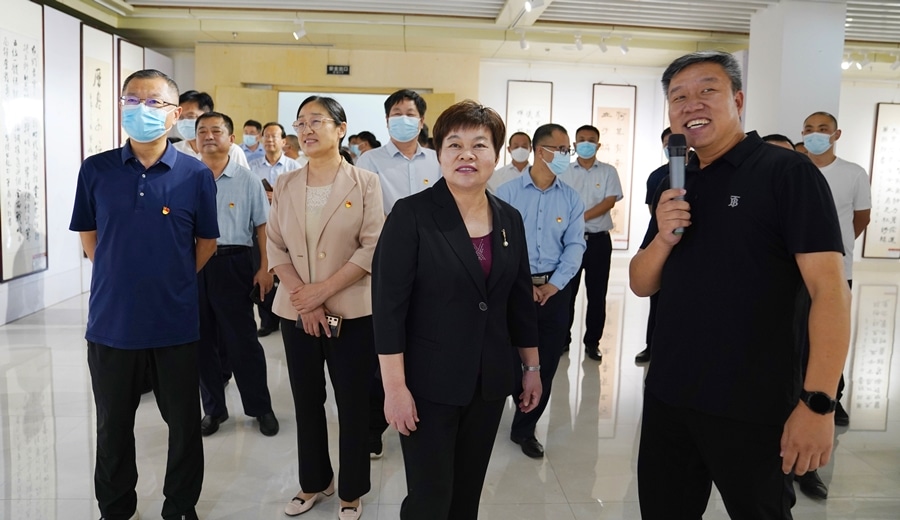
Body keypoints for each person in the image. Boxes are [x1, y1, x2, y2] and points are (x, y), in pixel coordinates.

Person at [630, 50, 850, 519]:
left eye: (707, 90)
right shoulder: (672, 181)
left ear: (738, 99)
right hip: (671, 396)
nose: (691, 104)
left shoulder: (787, 174)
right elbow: (641, 283)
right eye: (678, 97)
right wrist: (663, 237)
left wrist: (818, 405)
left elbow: (830, 293)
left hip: (755, 405)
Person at [373, 100, 541, 520]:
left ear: (496, 155)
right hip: (428, 384)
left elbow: (519, 300)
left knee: (467, 495)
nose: (467, 154)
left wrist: (532, 368)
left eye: (479, 145)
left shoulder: (509, 219)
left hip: (489, 383)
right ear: (439, 153)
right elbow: (388, 310)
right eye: (455, 144)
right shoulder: (411, 215)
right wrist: (395, 389)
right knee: (430, 498)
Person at [69, 69, 219, 520]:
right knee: (113, 424)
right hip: (111, 324)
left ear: (175, 114)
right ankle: (115, 507)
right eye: (131, 100)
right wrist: (121, 276)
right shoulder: (96, 169)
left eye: (153, 102)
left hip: (174, 323)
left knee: (184, 424)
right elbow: (90, 238)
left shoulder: (195, 174)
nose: (141, 109)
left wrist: (170, 279)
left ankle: (181, 506)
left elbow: (206, 243)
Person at [267, 96, 384, 520]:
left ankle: (352, 489)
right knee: (306, 399)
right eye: (300, 123)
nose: (307, 130)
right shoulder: (285, 184)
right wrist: (304, 297)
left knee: (352, 402)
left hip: (351, 311)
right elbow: (275, 245)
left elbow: (372, 246)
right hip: (296, 310)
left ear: (341, 128)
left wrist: (322, 293)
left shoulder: (365, 182)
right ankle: (314, 481)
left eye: (317, 121)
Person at [496, 123, 586, 459]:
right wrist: (522, 284)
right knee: (506, 356)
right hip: (511, 289)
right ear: (539, 150)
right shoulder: (506, 193)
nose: (565, 156)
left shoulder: (571, 198)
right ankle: (507, 403)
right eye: (560, 149)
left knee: (545, 361)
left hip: (554, 290)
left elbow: (575, 245)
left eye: (567, 150)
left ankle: (524, 428)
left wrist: (554, 284)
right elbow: (498, 244)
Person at [195, 111, 279, 438]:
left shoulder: (247, 180)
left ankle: (260, 408)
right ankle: (213, 410)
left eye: (216, 130)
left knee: (242, 341)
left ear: (231, 139)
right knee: (202, 342)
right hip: (195, 266)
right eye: (203, 131)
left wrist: (265, 267)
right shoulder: (187, 178)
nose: (209, 136)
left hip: (234, 263)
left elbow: (263, 227)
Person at [559, 124, 623, 362]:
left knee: (597, 295)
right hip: (570, 242)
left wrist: (579, 217)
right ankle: (562, 340)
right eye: (582, 139)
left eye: (591, 140)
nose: (586, 143)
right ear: (575, 145)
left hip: (598, 242)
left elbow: (609, 202)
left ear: (598, 145)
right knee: (567, 293)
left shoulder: (608, 171)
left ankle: (592, 342)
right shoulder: (564, 171)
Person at [356, 89, 441, 214]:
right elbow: (361, 205)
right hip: (386, 226)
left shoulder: (438, 160)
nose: (403, 119)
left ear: (421, 121)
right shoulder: (369, 160)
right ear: (387, 121)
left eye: (410, 114)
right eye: (397, 114)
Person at [635, 127, 672, 364]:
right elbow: (654, 213)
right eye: (668, 143)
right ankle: (652, 346)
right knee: (657, 300)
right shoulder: (658, 177)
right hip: (663, 241)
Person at [173, 90, 249, 168]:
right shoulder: (174, 151)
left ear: (208, 115)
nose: (184, 122)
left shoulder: (232, 151)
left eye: (191, 116)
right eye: (180, 117)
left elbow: (243, 175)